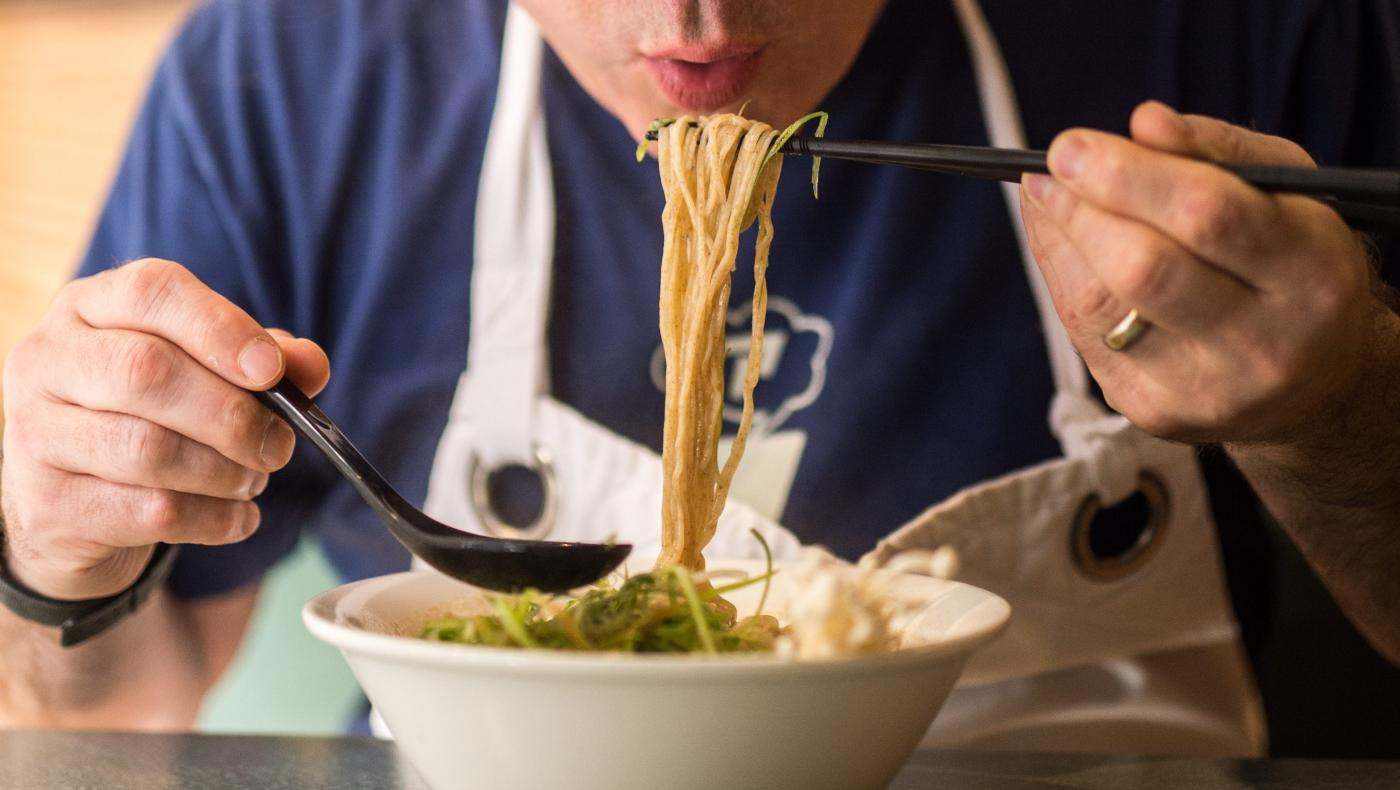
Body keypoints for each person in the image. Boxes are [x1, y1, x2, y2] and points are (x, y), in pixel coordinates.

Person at [1, 0, 1396, 753]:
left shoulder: (1238, 30)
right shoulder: (292, 76)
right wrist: (53, 552)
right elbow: (118, 701)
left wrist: (1340, 415)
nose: (695, 17)